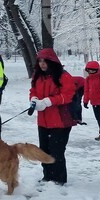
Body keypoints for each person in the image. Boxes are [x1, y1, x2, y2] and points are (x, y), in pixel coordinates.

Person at [29, 48, 76, 185]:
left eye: (45, 61)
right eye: (40, 61)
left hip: (60, 121)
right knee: (44, 150)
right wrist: (34, 99)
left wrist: (49, 101)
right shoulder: (37, 75)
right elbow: (33, 90)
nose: (42, 64)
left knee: (57, 151)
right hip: (43, 120)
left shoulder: (63, 76)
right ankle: (47, 176)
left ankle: (59, 179)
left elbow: (68, 95)